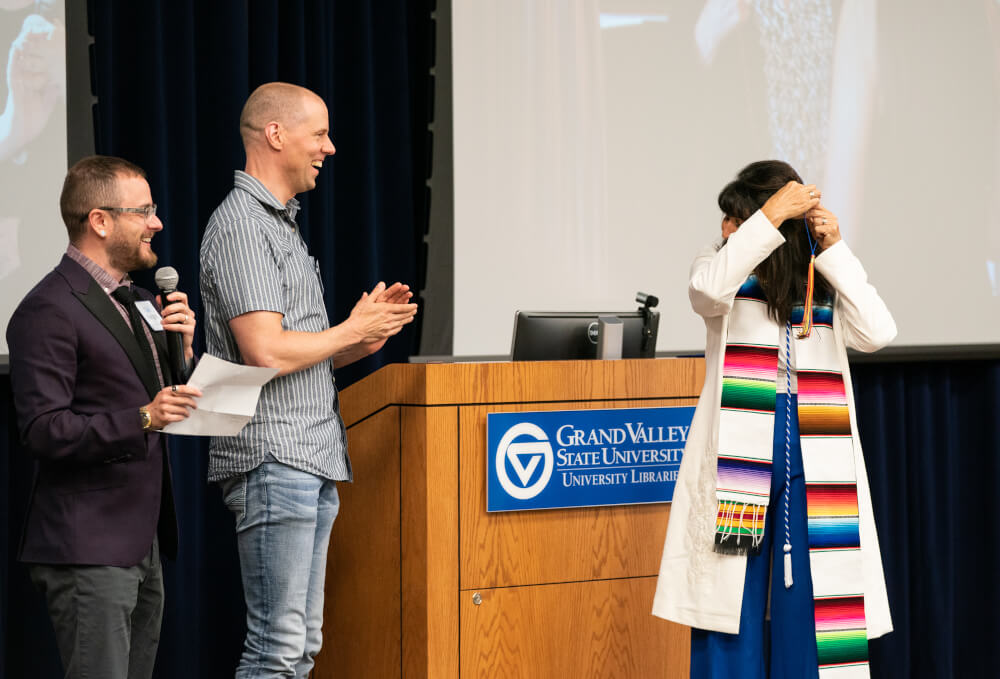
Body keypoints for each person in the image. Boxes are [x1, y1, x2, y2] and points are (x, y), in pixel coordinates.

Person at [199, 81, 418, 678]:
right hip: (275, 456)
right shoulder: (244, 224)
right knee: (277, 649)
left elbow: (296, 356)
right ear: (276, 135)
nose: (331, 147)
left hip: (309, 455)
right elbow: (265, 351)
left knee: (300, 648)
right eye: (319, 133)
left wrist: (362, 336)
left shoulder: (281, 224)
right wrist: (350, 330)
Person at [652, 160, 895, 678]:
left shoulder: (819, 278)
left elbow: (878, 332)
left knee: (814, 606)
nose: (723, 229)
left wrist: (835, 250)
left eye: (732, 216)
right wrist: (764, 221)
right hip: (742, 450)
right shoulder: (723, 265)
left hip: (815, 445)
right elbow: (705, 293)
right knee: (731, 605)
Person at [6, 155, 201, 679]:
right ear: (99, 221)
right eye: (144, 211)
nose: (157, 223)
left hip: (142, 542)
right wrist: (142, 417)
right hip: (88, 545)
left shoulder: (138, 300)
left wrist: (182, 352)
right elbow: (43, 429)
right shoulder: (48, 308)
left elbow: (165, 402)